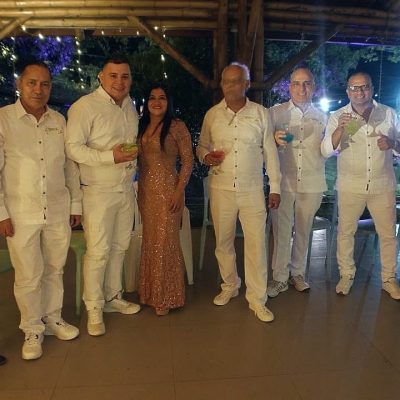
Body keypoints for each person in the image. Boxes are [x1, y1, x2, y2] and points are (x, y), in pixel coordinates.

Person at [0, 61, 82, 360]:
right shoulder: (4, 119)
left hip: (58, 208)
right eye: (32, 83)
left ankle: (52, 317)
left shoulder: (58, 121)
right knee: (28, 274)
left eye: (45, 84)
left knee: (55, 268)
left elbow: (70, 166)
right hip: (20, 212)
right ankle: (32, 328)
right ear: (19, 84)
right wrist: (1, 213)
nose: (38, 89)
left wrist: (76, 204)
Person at [197, 62, 281, 322]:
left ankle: (257, 298)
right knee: (223, 242)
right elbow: (201, 145)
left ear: (247, 84)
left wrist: (275, 187)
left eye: (236, 81)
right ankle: (230, 285)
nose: (230, 86)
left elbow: (270, 152)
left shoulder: (260, 114)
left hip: (252, 189)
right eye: (226, 81)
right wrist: (205, 156)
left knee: (256, 244)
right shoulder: (212, 115)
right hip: (221, 187)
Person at [66, 54, 140, 336]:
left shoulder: (130, 106)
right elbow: (73, 148)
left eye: (125, 76)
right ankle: (94, 307)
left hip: (125, 188)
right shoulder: (85, 106)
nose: (119, 82)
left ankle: (112, 296)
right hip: (97, 191)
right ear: (101, 77)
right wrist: (111, 157)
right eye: (113, 75)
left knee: (120, 246)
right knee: (98, 252)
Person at [322, 71, 400, 299]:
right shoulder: (338, 115)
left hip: (382, 185)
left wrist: (393, 143)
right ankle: (346, 275)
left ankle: (389, 278)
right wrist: (340, 129)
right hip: (350, 185)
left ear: (372, 88)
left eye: (364, 86)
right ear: (348, 91)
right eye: (354, 88)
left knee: (388, 234)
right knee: (346, 232)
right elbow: (325, 151)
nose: (360, 91)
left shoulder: (388, 113)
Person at [267, 67, 327, 297]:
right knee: (281, 231)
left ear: (314, 87)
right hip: (283, 181)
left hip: (312, 181)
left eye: (307, 83)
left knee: (304, 229)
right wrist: (273, 140)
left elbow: (329, 150)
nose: (302, 88)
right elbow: (262, 147)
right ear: (289, 86)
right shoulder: (275, 113)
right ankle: (279, 277)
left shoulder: (323, 117)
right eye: (297, 83)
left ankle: (298, 273)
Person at [137, 84, 193, 316]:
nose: (157, 102)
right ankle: (150, 293)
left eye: (162, 98)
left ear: (168, 102)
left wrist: (178, 192)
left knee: (165, 243)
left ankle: (168, 296)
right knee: (151, 242)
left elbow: (188, 161)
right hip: (146, 193)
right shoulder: (141, 125)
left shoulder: (176, 126)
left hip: (169, 192)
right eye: (152, 98)